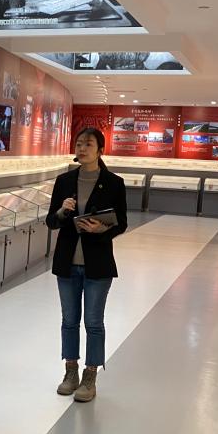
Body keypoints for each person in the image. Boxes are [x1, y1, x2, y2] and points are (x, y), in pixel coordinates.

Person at [45, 127, 128, 403]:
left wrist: (102, 229)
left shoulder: (113, 183)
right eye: (79, 144)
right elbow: (51, 221)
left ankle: (90, 376)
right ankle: (70, 372)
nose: (81, 148)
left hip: (98, 263)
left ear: (100, 150)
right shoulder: (64, 181)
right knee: (69, 321)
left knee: (93, 322)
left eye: (88, 144)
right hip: (67, 263)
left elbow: (121, 223)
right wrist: (62, 211)